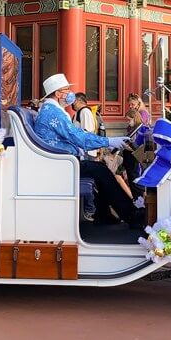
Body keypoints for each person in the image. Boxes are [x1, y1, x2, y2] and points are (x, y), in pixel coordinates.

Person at [35, 74, 142, 227]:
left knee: (100, 169)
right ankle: (130, 215)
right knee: (101, 171)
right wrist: (109, 141)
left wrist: (108, 143)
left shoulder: (50, 110)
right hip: (61, 164)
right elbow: (78, 137)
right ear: (58, 94)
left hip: (61, 161)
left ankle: (104, 215)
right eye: (66, 90)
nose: (70, 94)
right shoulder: (53, 112)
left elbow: (78, 135)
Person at [72, 93, 99, 160]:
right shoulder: (79, 112)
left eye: (74, 101)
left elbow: (87, 131)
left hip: (86, 151)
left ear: (78, 100)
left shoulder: (85, 111)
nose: (72, 103)